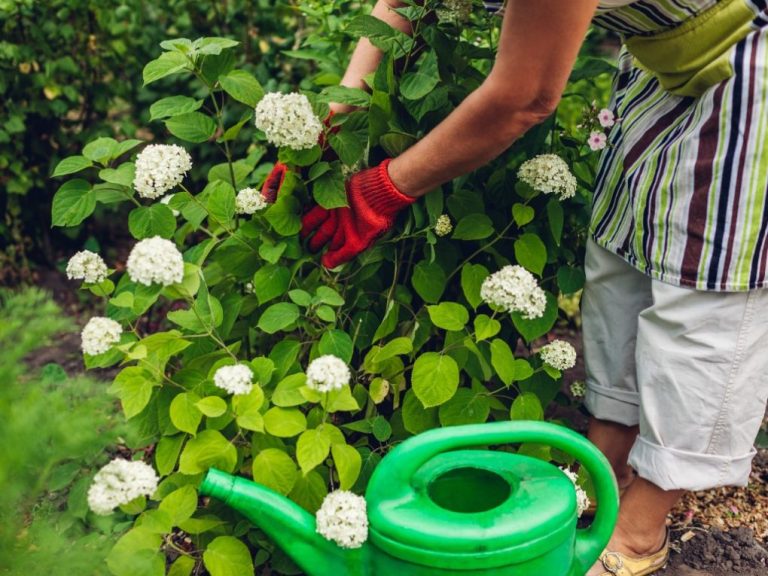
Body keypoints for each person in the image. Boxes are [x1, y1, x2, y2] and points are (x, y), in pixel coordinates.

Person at [296, 1, 768, 574]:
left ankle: (638, 530)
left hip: (752, 67)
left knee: (706, 288)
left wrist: (386, 189)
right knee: (620, 260)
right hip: (662, 59)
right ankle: (604, 468)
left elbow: (525, 96)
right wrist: (331, 122)